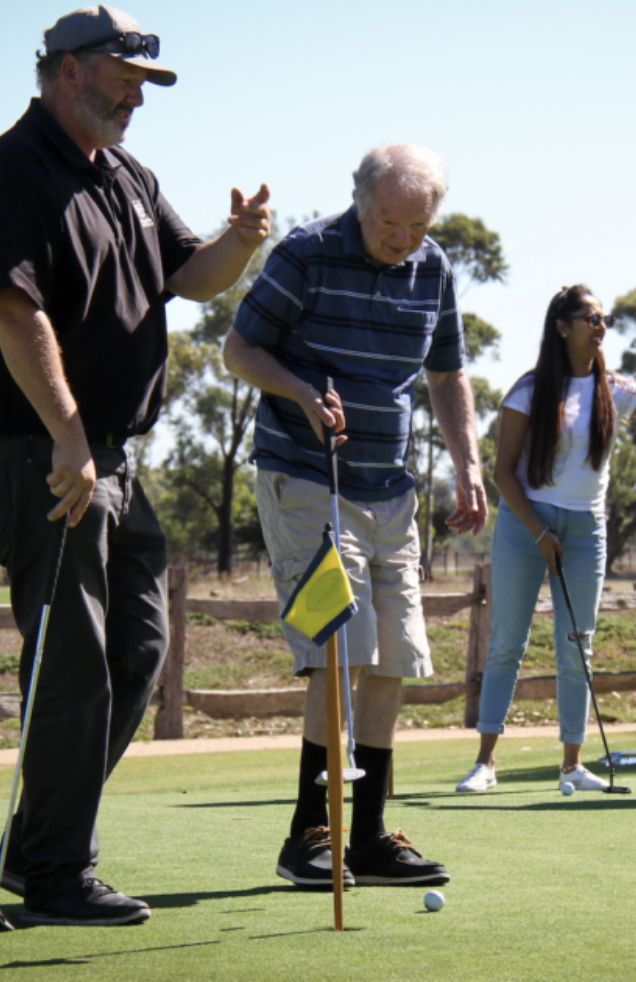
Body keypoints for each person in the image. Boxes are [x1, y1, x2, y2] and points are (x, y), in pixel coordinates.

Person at [0, 4, 272, 925]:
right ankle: (55, 873)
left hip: (111, 462)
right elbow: (16, 314)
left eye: (146, 83)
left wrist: (240, 241)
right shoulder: (10, 171)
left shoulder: (128, 173)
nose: (138, 97)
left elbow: (191, 276)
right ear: (65, 71)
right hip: (42, 457)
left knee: (138, 649)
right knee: (72, 667)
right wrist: (67, 436)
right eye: (124, 78)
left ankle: (34, 846)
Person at [223, 143, 488, 888]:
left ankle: (365, 839)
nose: (402, 237)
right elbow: (238, 349)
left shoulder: (432, 268)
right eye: (388, 222)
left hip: (389, 489)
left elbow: (446, 372)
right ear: (358, 200)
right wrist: (304, 393)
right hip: (308, 475)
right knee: (339, 649)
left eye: (417, 224)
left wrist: (468, 465)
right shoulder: (305, 252)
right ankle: (309, 835)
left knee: (393, 658)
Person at [455, 285, 636, 794]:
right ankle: (486, 762)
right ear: (563, 326)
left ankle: (571, 765)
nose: (600, 326)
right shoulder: (528, 390)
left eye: (603, 318)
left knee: (578, 645)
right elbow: (501, 473)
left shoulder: (613, 389)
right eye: (591, 318)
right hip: (525, 523)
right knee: (507, 644)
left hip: (586, 529)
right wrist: (540, 532)